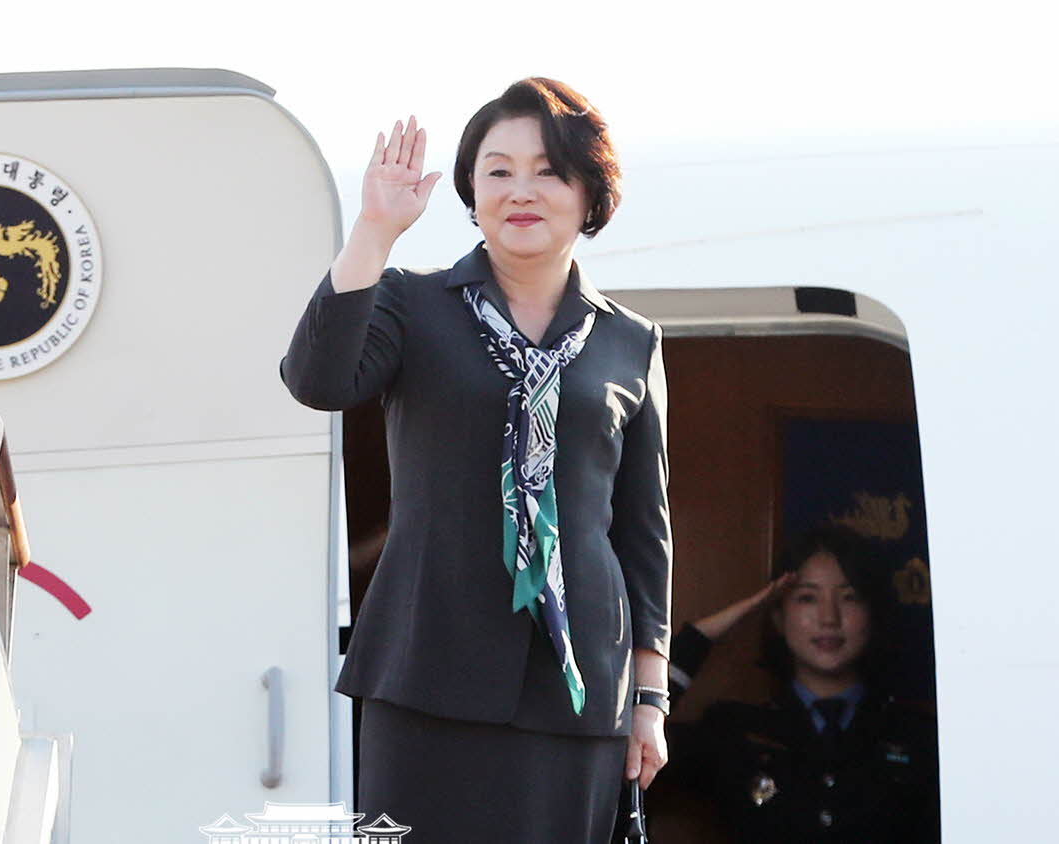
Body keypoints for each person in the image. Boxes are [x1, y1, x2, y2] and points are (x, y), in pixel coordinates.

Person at [281, 78, 673, 844]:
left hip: (579, 682)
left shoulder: (631, 341)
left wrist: (650, 700)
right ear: (469, 191)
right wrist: (374, 229)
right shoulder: (410, 302)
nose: (521, 190)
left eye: (548, 171)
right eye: (498, 171)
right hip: (426, 673)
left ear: (589, 192)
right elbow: (317, 381)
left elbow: (642, 533)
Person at [662, 525, 940, 842]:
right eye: (807, 598)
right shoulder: (734, 731)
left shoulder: (918, 737)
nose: (828, 618)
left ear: (871, 613)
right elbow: (632, 752)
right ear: (778, 616)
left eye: (849, 597)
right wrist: (703, 636)